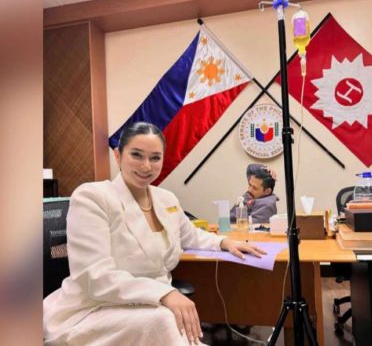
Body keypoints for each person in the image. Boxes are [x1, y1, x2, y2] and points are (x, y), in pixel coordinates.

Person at [43, 122, 266, 346]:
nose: (146, 166)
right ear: (118, 156)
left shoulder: (166, 199)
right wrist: (164, 294)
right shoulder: (93, 197)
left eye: (155, 157)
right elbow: (96, 277)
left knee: (166, 320)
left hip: (148, 306)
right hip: (94, 308)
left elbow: (191, 236)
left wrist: (224, 242)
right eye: (137, 155)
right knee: (164, 319)